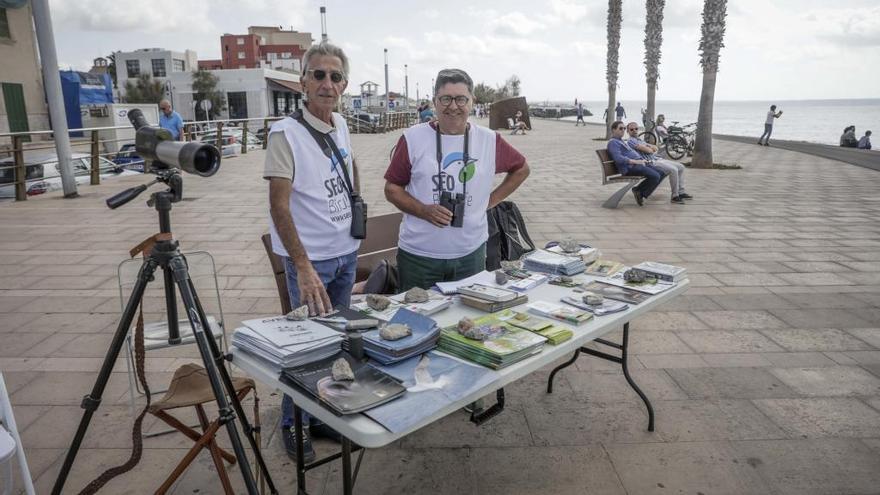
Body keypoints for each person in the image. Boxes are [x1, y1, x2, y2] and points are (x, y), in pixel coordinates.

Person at [264, 42, 359, 463]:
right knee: (305, 347)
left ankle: (319, 415)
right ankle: (292, 421)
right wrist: (301, 266)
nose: (326, 83)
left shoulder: (340, 123)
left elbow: (348, 173)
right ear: (303, 81)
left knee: (333, 344)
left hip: (344, 254)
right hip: (313, 261)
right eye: (318, 75)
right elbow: (278, 205)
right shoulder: (286, 133)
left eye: (335, 76)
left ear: (344, 85)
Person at [384, 68, 530, 291]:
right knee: (416, 322)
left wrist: (488, 202)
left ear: (472, 101)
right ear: (435, 102)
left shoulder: (488, 140)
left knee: (468, 320)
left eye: (461, 99)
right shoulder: (414, 138)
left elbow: (521, 169)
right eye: (445, 99)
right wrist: (424, 210)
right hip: (420, 257)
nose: (453, 106)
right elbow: (392, 188)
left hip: (470, 255)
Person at [626, 122, 693, 204]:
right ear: (628, 131)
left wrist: (649, 148)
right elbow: (649, 150)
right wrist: (649, 148)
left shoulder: (639, 140)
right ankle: (675, 196)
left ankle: (681, 192)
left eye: (636, 129)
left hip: (657, 159)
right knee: (673, 170)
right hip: (651, 162)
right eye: (631, 129)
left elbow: (655, 147)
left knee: (681, 167)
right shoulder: (630, 141)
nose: (634, 131)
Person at [606, 121, 663, 207]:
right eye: (620, 128)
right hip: (630, 168)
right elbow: (618, 159)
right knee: (656, 176)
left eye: (624, 128)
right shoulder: (613, 142)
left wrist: (641, 160)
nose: (623, 130)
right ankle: (639, 191)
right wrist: (635, 161)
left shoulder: (621, 141)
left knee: (661, 173)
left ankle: (639, 191)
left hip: (638, 164)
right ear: (613, 130)